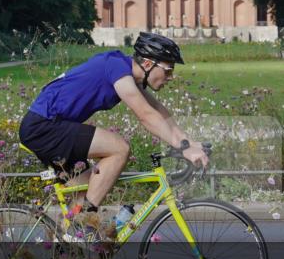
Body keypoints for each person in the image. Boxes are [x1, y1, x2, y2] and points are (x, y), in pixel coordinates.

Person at [19, 32, 209, 235]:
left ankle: (70, 251)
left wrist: (187, 142)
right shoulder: (117, 69)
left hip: (52, 125)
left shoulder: (125, 72)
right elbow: (145, 115)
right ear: (147, 64)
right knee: (119, 148)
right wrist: (183, 149)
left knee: (85, 188)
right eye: (168, 70)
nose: (171, 77)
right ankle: (84, 225)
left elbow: (158, 110)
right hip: (43, 126)